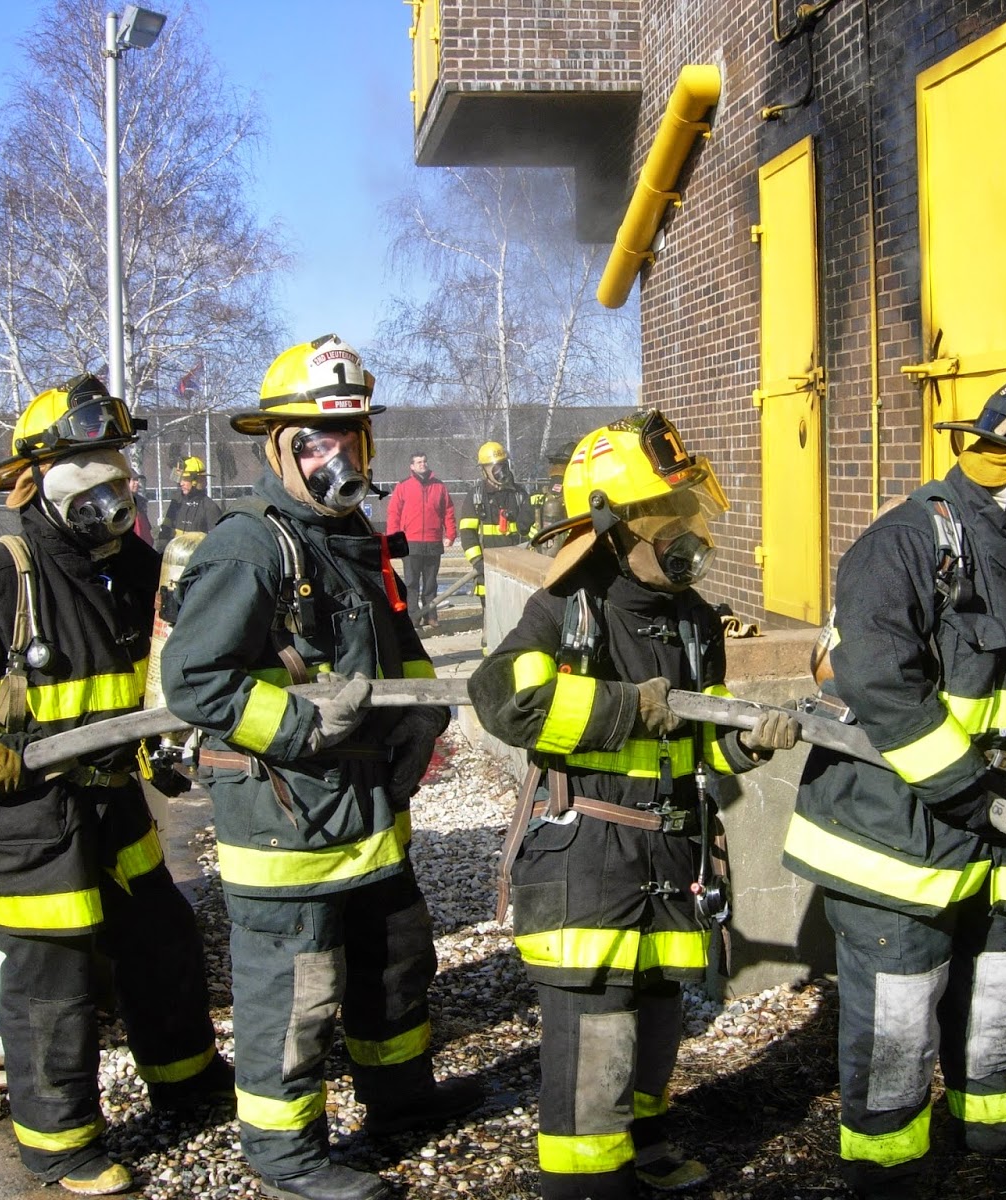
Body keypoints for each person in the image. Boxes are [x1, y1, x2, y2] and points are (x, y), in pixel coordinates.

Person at [0, 375, 229, 1196]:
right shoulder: (1, 575)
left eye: (116, 467)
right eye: (89, 469)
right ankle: (59, 1143)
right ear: (42, 482)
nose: (112, 487)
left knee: (161, 940)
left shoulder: (128, 564)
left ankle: (184, 1081)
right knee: (51, 982)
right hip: (30, 817)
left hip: (113, 804)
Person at [782, 373, 1006, 1197]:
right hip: (893, 839)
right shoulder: (905, 546)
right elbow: (883, 688)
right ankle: (887, 1165)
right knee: (901, 1007)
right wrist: (974, 794)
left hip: (990, 835)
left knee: (1001, 983)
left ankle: (998, 1119)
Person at [159, 334, 483, 1200]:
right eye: (312, 441)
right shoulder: (253, 548)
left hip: (372, 819)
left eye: (346, 439)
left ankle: (400, 1102)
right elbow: (194, 679)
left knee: (396, 963)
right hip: (289, 822)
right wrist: (298, 723)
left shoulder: (352, 539)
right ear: (278, 448)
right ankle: (286, 1153)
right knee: (297, 992)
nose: (333, 456)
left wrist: (423, 714)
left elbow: (402, 652)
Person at [469, 410, 800, 1200]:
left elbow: (704, 745)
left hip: (669, 851)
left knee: (655, 1015)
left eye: (686, 511)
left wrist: (747, 742)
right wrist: (624, 707)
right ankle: (587, 1183)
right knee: (598, 1025)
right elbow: (501, 700)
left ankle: (641, 1143)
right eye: (664, 516)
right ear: (613, 528)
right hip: (590, 849)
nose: (684, 531)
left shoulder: (690, 622)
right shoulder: (567, 606)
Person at [457, 441, 531, 608]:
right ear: (484, 470)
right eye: (493, 467)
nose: (500, 471)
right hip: (487, 572)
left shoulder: (519, 495)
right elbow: (467, 534)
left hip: (516, 569)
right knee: (491, 623)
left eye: (502, 465)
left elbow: (531, 530)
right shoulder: (476, 497)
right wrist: (478, 561)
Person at [386, 451, 455, 630]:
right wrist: (393, 539)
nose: (422, 464)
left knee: (431, 584)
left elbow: (448, 511)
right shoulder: (403, 486)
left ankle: (430, 616)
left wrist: (451, 534)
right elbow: (394, 513)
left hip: (433, 542)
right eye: (418, 462)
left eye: (424, 461)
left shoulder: (439, 486)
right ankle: (413, 617)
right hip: (411, 543)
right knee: (411, 583)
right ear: (412, 466)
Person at [159, 455, 222, 543]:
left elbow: (217, 541)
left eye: (185, 479)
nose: (181, 483)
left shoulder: (209, 507)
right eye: (180, 479)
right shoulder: (177, 501)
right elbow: (165, 528)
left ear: (196, 481)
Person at [530, 439, 577, 557]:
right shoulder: (579, 493)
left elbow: (522, 527)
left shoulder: (538, 494)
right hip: (572, 553)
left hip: (539, 553)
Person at [130, 471, 154, 547]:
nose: (137, 482)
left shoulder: (140, 502)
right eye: (133, 480)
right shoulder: (120, 505)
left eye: (137, 480)